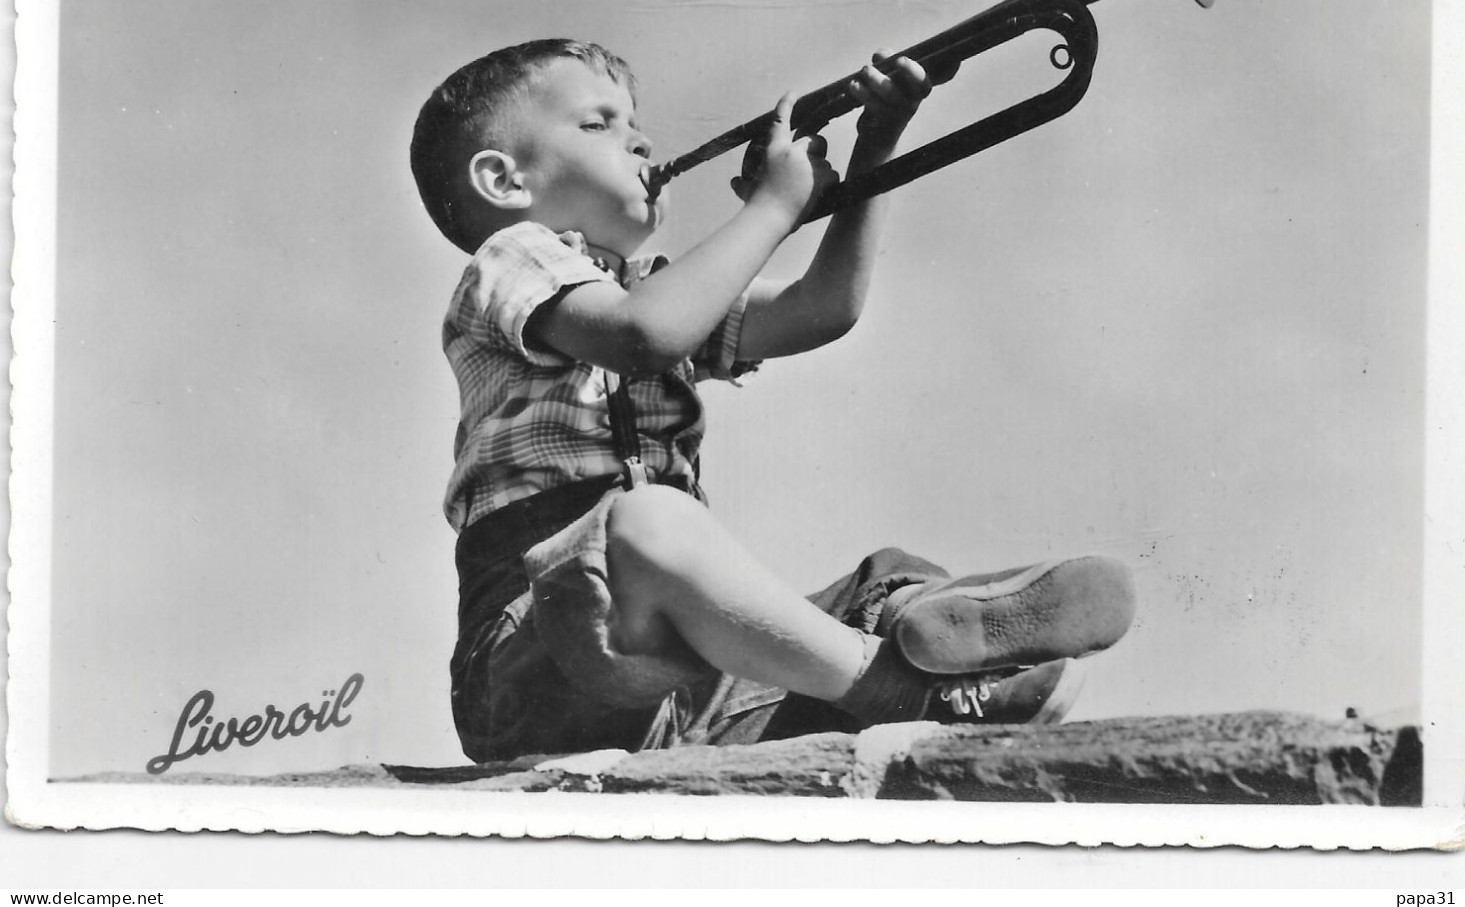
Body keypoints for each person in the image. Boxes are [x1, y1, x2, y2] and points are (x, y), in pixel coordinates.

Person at [410, 38, 1136, 763]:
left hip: (682, 692)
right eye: (598, 123)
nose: (641, 139)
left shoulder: (649, 286)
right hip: (538, 656)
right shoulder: (512, 256)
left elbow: (820, 308)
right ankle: (894, 683)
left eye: (633, 121)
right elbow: (645, 336)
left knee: (880, 574)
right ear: (503, 180)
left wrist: (873, 149)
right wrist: (773, 206)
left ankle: (938, 643)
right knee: (648, 521)